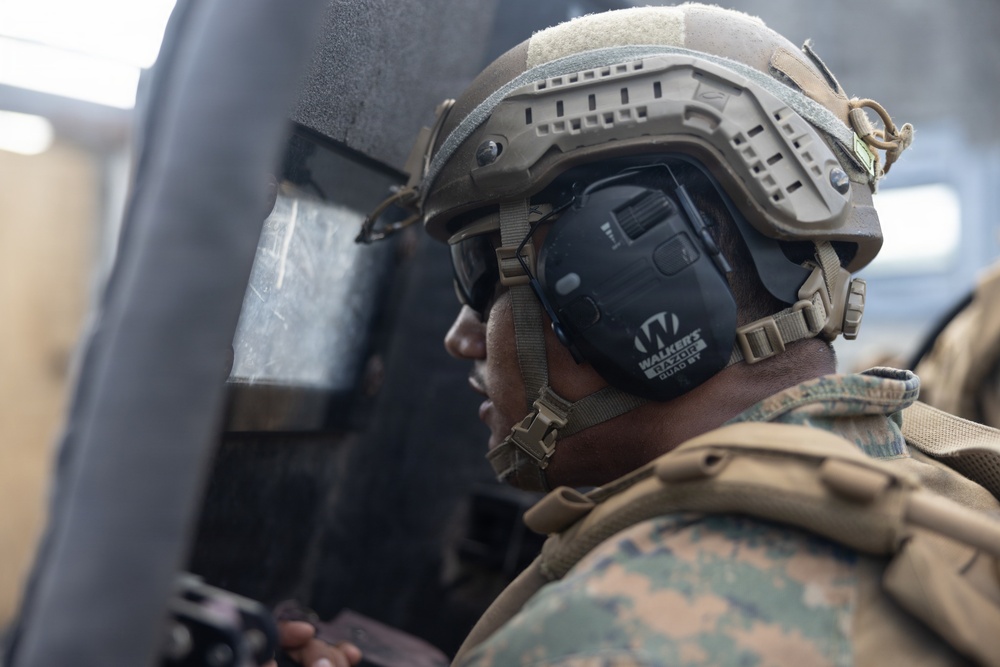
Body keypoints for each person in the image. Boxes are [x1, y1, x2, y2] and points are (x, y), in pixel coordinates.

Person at [281, 4, 1000, 666]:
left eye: (480, 277)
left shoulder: (621, 632)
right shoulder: (940, 477)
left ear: (625, 273)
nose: (461, 338)